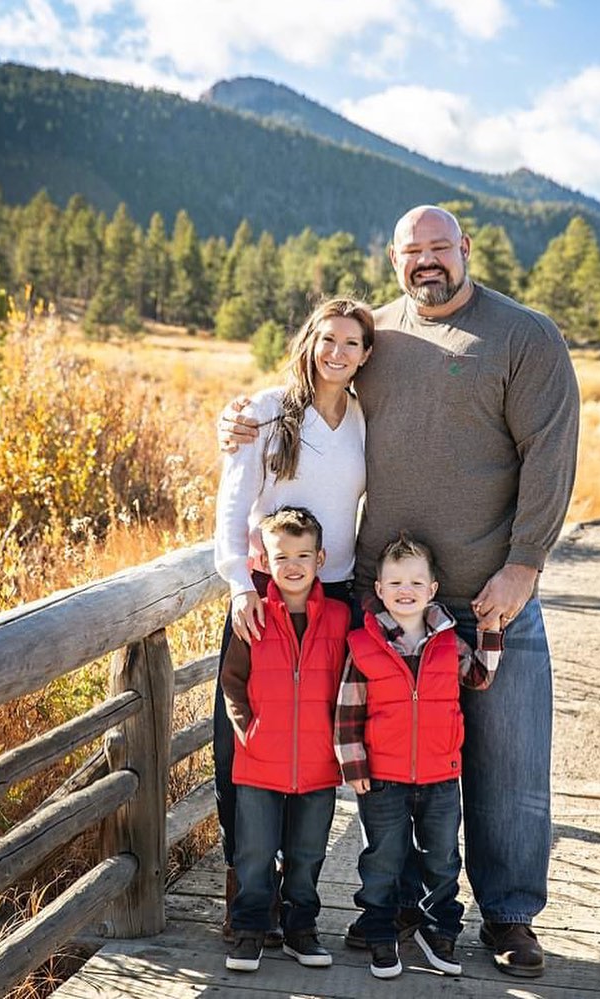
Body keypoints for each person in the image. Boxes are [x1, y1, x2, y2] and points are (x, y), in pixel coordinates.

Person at [220, 204, 580, 978]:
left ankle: (510, 915)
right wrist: (239, 420)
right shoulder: (376, 337)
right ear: (392, 260)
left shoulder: (524, 336)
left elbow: (550, 454)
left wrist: (525, 562)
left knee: (507, 764)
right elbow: (309, 382)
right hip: (383, 601)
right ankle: (405, 906)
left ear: (466, 249)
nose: (427, 261)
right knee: (397, 763)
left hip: (489, 595)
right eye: (411, 251)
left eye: (439, 247)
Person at [213, 297, 373, 946]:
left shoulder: (366, 418)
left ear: (365, 354)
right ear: (308, 341)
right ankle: (242, 885)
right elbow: (232, 501)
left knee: (317, 740)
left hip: (334, 594)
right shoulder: (267, 410)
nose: (336, 352)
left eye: (351, 342)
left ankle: (296, 896)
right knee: (241, 743)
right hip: (263, 589)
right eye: (326, 338)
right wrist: (234, 582)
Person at [335, 532, 502, 979]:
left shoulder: (449, 643)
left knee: (443, 857)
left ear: (431, 590)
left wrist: (489, 632)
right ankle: (379, 930)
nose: (404, 591)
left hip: (441, 775)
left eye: (414, 583)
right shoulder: (363, 645)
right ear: (379, 591)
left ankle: (439, 930)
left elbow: (480, 677)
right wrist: (353, 765)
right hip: (382, 778)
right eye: (394, 583)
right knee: (382, 857)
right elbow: (348, 710)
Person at [221, 506, 350, 972]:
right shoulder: (253, 615)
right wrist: (247, 730)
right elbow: (232, 681)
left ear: (321, 558)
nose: (292, 566)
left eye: (302, 555)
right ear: (265, 561)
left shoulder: (339, 618)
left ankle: (301, 930)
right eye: (281, 557)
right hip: (259, 758)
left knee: (308, 851)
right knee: (253, 851)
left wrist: (343, 739)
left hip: (318, 761)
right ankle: (251, 930)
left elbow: (353, 682)